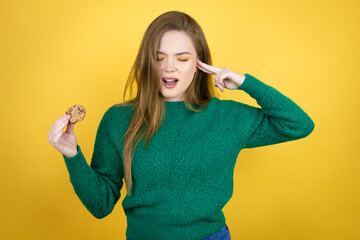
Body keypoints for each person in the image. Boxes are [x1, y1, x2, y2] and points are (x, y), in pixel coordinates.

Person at [48, 10, 315, 240]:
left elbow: (298, 124)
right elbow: (101, 205)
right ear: (147, 62)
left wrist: (245, 82)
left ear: (199, 65)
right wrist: (72, 155)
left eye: (183, 58)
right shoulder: (118, 120)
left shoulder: (227, 117)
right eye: (159, 57)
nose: (169, 68)